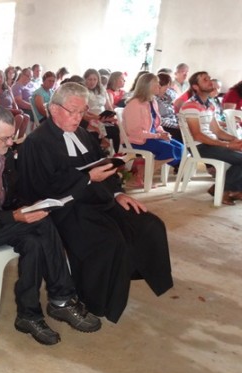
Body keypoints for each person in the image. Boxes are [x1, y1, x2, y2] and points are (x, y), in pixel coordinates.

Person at [17, 82, 174, 323]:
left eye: (82, 112)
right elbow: (40, 188)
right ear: (54, 109)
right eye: (72, 111)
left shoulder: (83, 135)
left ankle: (128, 275)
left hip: (98, 200)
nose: (78, 118)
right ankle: (95, 301)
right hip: (64, 209)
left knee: (148, 224)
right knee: (110, 240)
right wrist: (86, 179)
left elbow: (103, 168)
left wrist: (117, 194)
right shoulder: (36, 142)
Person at [0, 106, 101, 344]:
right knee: (43, 225)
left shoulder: (5, 155)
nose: (11, 143)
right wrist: (14, 217)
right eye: (6, 138)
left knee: (35, 239)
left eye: (12, 136)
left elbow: (12, 197)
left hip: (3, 224)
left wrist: (29, 207)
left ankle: (29, 314)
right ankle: (62, 297)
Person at [180, 71, 242, 205]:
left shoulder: (210, 105)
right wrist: (227, 145)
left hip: (210, 143)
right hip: (199, 146)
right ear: (195, 87)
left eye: (209, 79)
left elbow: (218, 131)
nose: (210, 82)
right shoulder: (190, 106)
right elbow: (197, 135)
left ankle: (231, 190)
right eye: (205, 80)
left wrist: (234, 140)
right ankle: (224, 190)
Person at [122, 73, 184, 186]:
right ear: (147, 87)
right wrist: (157, 136)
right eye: (156, 84)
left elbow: (156, 124)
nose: (159, 87)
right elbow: (134, 132)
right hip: (136, 140)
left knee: (180, 147)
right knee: (169, 149)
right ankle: (141, 176)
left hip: (150, 137)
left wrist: (163, 133)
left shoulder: (152, 101)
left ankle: (140, 174)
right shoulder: (135, 104)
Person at [0, 69, 30, 139]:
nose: (0, 79)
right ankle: (9, 139)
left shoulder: (8, 88)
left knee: (27, 117)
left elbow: (14, 102)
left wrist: (17, 110)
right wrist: (15, 111)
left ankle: (18, 140)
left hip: (11, 111)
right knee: (19, 117)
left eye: (1, 77)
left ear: (4, 78)